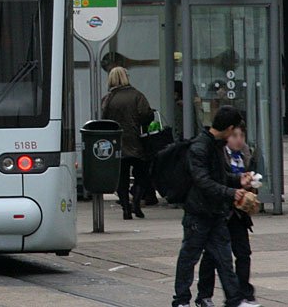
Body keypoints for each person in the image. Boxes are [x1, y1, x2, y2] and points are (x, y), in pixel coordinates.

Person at [172, 106, 256, 307]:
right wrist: (230, 192)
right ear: (229, 128)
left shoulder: (215, 145)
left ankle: (234, 299)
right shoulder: (200, 147)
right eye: (234, 131)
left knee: (224, 258)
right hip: (198, 213)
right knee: (189, 257)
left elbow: (219, 175)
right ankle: (181, 300)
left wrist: (237, 179)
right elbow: (202, 180)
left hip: (216, 212)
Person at [195, 124, 258, 307]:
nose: (238, 140)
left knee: (243, 253)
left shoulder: (245, 155)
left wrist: (251, 187)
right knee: (213, 256)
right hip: (220, 212)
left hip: (238, 214)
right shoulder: (218, 155)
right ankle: (204, 295)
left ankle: (244, 292)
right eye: (234, 135)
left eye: (241, 136)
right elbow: (215, 181)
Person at [101, 66, 154, 219]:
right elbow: (146, 115)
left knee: (122, 177)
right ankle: (136, 202)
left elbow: (103, 119)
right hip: (136, 141)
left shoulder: (108, 99)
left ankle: (125, 208)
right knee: (141, 174)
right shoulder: (137, 95)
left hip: (116, 143)